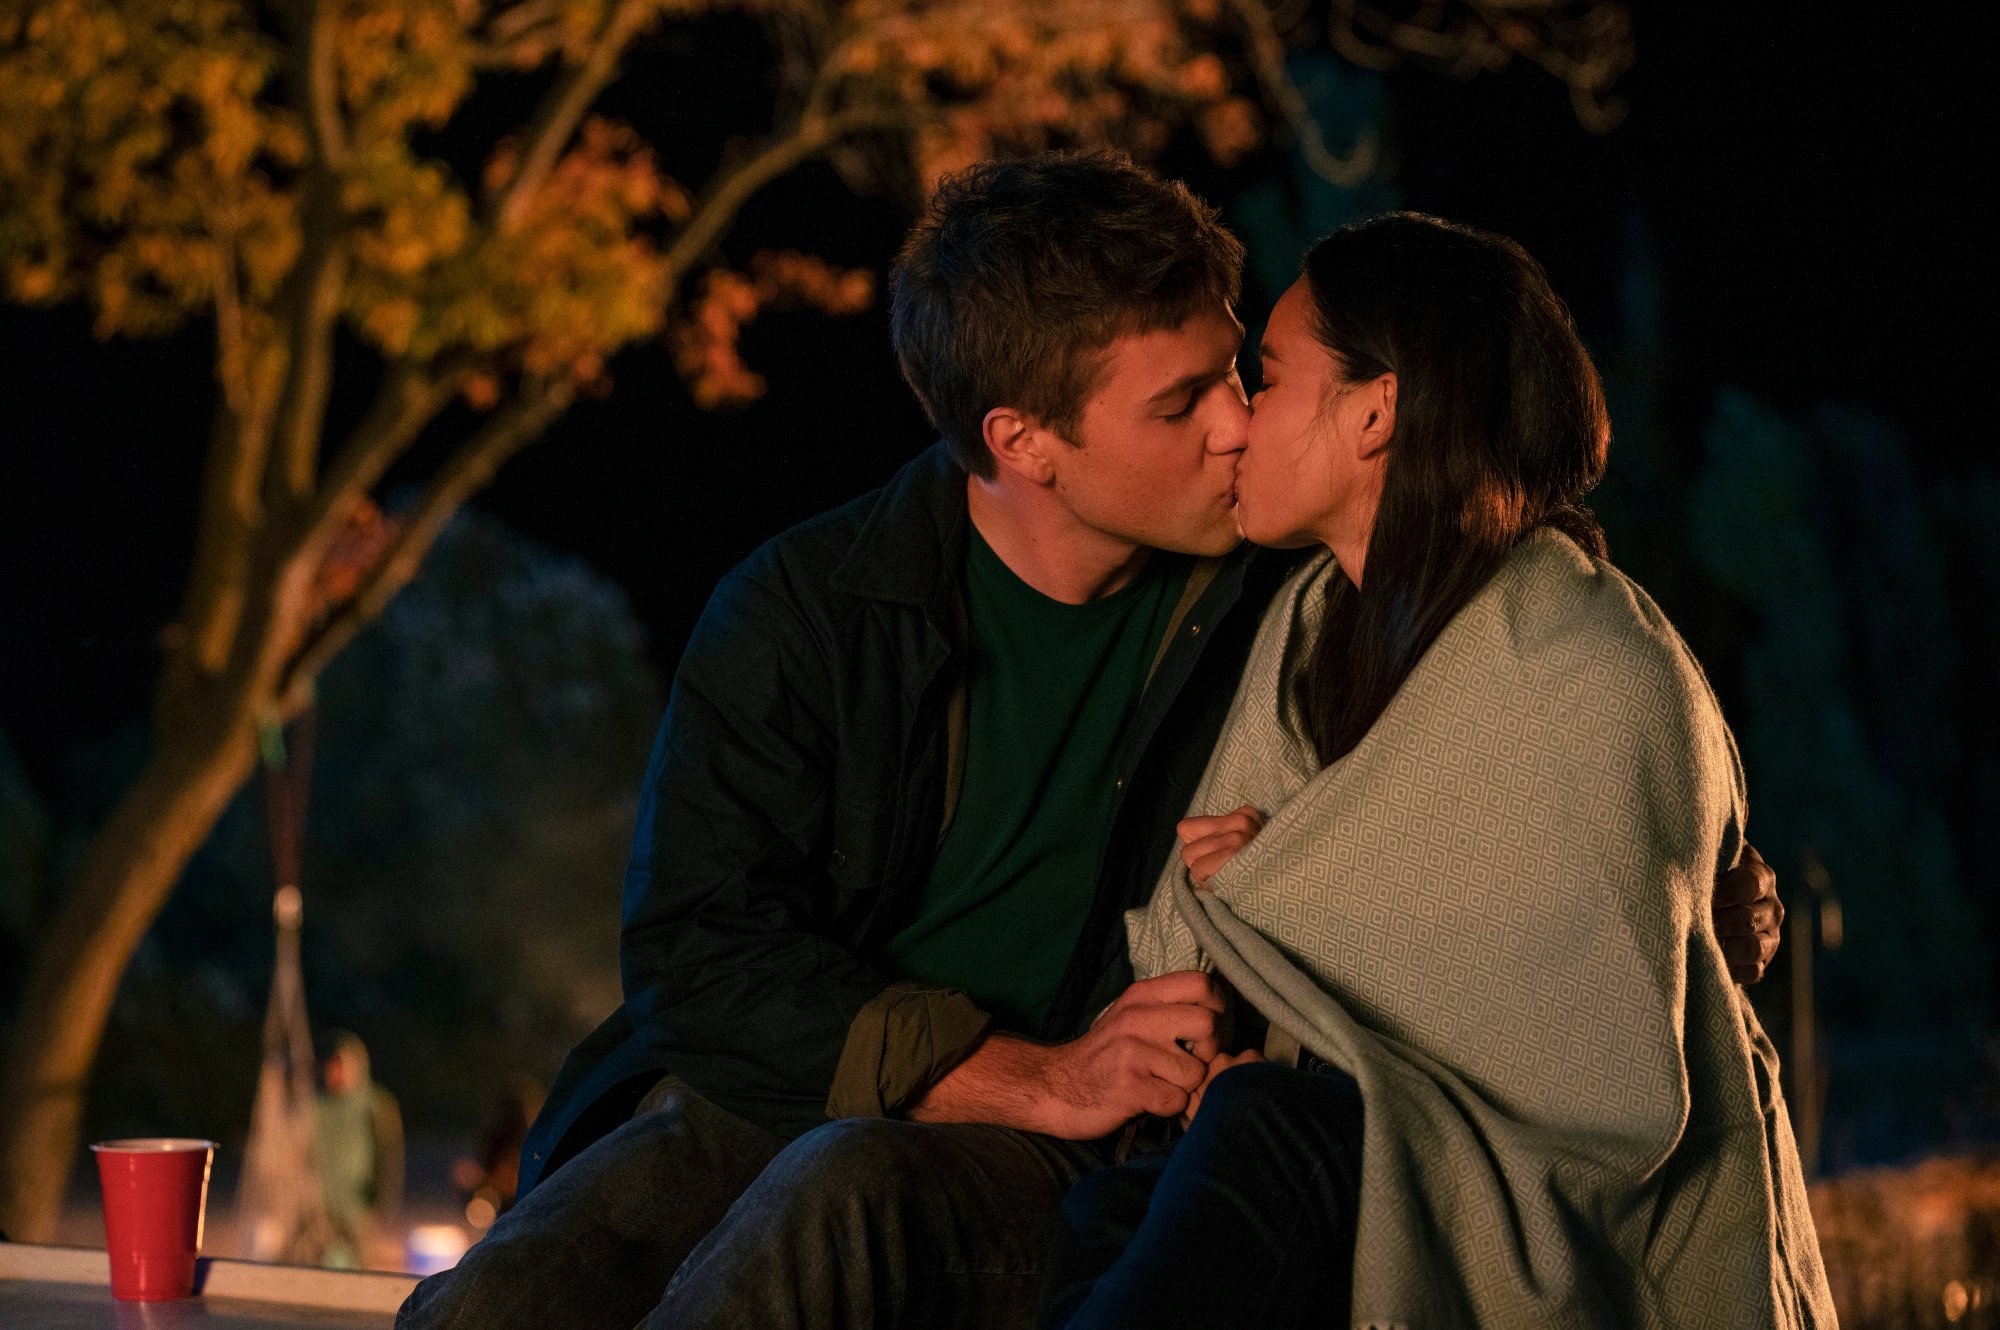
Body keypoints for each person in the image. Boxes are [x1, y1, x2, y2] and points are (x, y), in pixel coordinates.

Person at [398, 155, 1783, 1330]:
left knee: (840, 1196)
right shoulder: (809, 611)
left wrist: (1690, 892)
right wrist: (1023, 1072)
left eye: (1240, 371)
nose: (1238, 421)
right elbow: (698, 954)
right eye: (1182, 405)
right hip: (809, 1088)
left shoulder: (1274, 595)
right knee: (526, 1281)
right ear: (1026, 442)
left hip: (1068, 1150)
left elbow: (1502, 748)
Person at [1051, 213, 1833, 1328]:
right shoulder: (1310, 627)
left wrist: (1289, 890)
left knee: (1264, 1129)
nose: (1235, 425)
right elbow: (1230, 920)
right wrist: (1260, 951)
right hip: (1334, 1125)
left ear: (1374, 412)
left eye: (1266, 381)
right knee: (1113, 1208)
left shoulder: (1589, 666)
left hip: (1524, 1180)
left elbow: (1592, 1032)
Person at [315, 1031, 404, 1270]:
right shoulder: (316, 1106)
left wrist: (385, 1201)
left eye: (341, 1065)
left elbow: (389, 1157)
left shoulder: (377, 1104)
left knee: (364, 1266)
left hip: (360, 1206)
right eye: (332, 1065)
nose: (334, 1072)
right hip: (324, 1206)